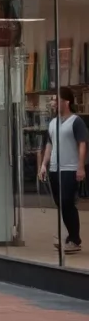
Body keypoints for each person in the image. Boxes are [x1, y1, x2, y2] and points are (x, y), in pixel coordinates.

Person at [39, 86, 88, 253]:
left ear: (66, 102)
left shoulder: (76, 121)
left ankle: (74, 239)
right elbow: (49, 144)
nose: (52, 103)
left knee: (67, 202)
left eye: (56, 99)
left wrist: (81, 167)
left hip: (70, 168)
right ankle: (70, 237)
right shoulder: (52, 123)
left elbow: (82, 143)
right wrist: (44, 164)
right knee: (61, 203)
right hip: (54, 168)